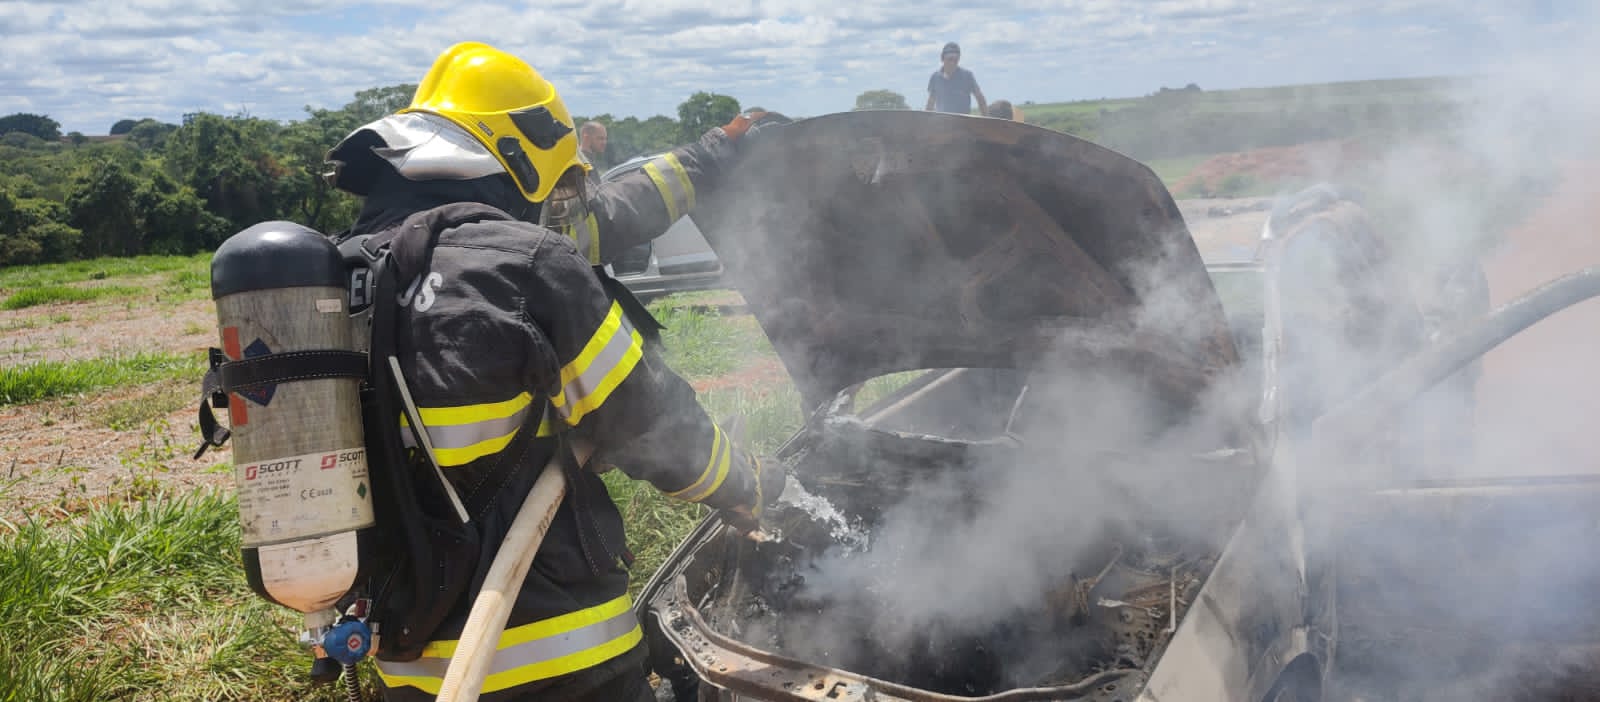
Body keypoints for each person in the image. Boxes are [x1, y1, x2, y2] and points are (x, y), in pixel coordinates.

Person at [320, 41, 786, 701]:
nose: (563, 206)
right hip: (561, 659)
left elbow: (618, 210)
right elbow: (652, 423)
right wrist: (749, 484)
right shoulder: (524, 265)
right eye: (558, 183)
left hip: (409, 666)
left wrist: (710, 153)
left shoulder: (348, 276)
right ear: (519, 159)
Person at [925, 42, 987, 115]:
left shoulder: (967, 76)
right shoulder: (935, 77)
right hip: (941, 124)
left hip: (963, 124)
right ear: (942, 58)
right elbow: (930, 103)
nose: (952, 63)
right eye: (950, 59)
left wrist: (986, 122)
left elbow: (980, 98)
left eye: (956, 60)